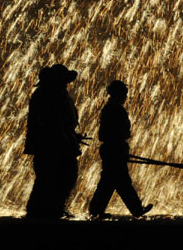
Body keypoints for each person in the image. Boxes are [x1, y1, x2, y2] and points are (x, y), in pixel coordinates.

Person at [24, 64, 86, 218]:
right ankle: (45, 212)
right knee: (56, 177)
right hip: (52, 147)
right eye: (64, 80)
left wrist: (72, 135)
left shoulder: (53, 94)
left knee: (51, 179)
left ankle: (48, 210)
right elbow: (51, 123)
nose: (67, 84)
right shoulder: (48, 96)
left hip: (55, 145)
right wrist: (66, 137)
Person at [89, 80, 152, 218]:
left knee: (109, 182)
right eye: (124, 93)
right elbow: (112, 132)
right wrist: (122, 141)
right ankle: (136, 210)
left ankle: (95, 210)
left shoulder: (110, 108)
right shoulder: (115, 109)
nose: (126, 97)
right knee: (121, 182)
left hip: (112, 148)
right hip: (115, 149)